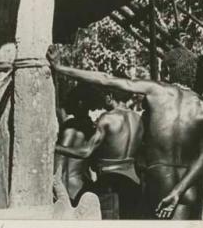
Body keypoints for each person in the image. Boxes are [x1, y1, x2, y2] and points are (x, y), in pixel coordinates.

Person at [48, 46, 203, 220]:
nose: (161, 76)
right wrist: (178, 191)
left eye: (163, 70)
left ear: (169, 71)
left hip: (159, 181)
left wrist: (60, 67)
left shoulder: (157, 90)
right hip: (188, 187)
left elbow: (106, 79)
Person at [54, 74, 144, 219]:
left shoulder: (107, 118)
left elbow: (86, 152)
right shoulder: (138, 119)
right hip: (133, 183)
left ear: (109, 96)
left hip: (110, 184)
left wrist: (55, 147)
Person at [55, 83, 96, 207]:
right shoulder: (92, 128)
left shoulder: (67, 126)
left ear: (79, 103)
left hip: (58, 185)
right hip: (77, 187)